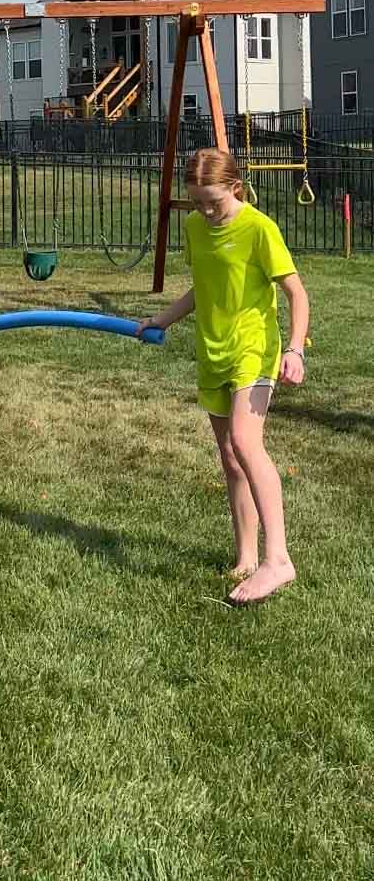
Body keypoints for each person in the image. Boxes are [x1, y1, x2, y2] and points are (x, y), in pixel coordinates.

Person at [140, 148, 309, 605]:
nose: (207, 212)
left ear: (235, 188)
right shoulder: (197, 228)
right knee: (230, 458)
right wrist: (164, 318)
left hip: (253, 349)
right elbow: (204, 286)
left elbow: (296, 293)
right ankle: (246, 557)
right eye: (197, 203)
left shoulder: (258, 228)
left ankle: (279, 560)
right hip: (212, 352)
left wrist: (294, 349)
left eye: (213, 201)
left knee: (245, 441)